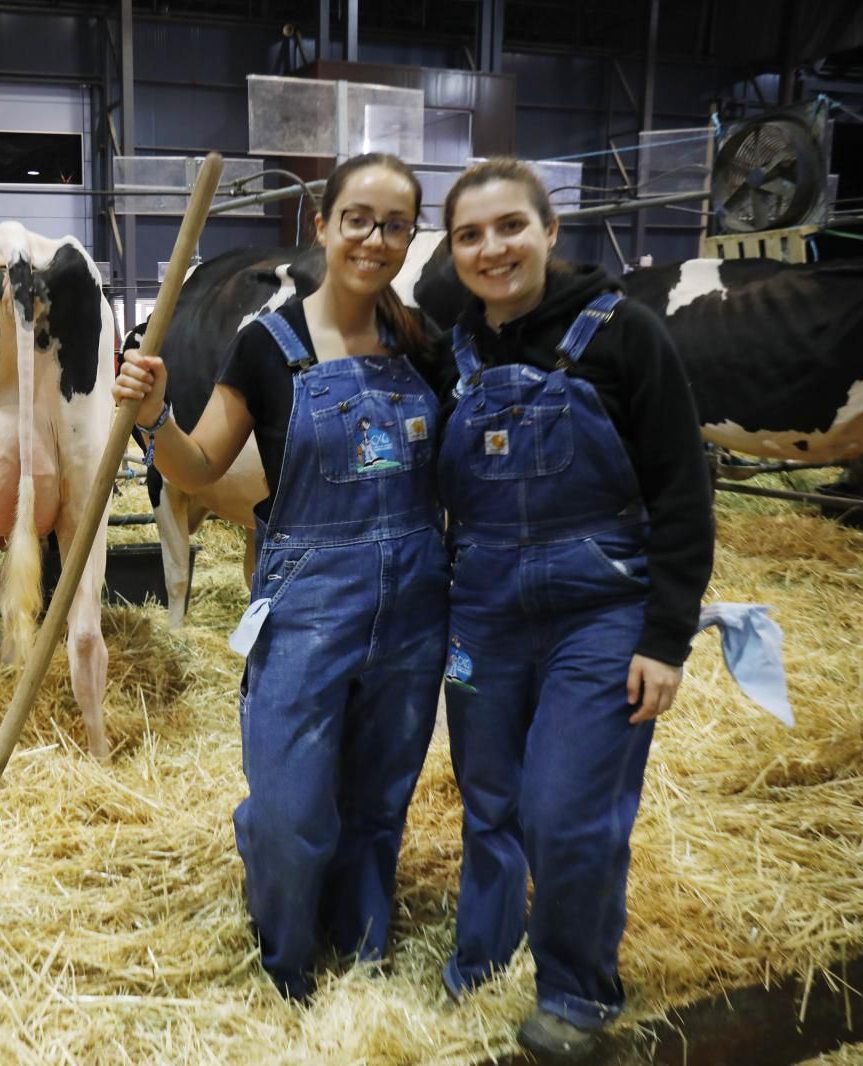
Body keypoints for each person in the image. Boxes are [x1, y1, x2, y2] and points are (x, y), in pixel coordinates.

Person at [113, 153, 449, 1001]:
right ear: (324, 226)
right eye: (359, 219)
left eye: (395, 224)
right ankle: (288, 959)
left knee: (379, 803)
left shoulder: (423, 344)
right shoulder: (269, 344)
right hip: (306, 606)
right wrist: (154, 418)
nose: (375, 239)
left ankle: (365, 947)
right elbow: (196, 469)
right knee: (293, 810)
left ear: (410, 236)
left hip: (412, 609)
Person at [433, 158, 714, 1061]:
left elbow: (682, 491)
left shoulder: (626, 335)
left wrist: (665, 638)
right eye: (471, 235)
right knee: (488, 800)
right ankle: (482, 951)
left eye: (510, 226)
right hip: (482, 608)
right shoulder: (454, 351)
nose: (493, 248)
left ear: (551, 231)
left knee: (565, 811)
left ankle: (577, 990)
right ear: (453, 251)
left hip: (600, 610)